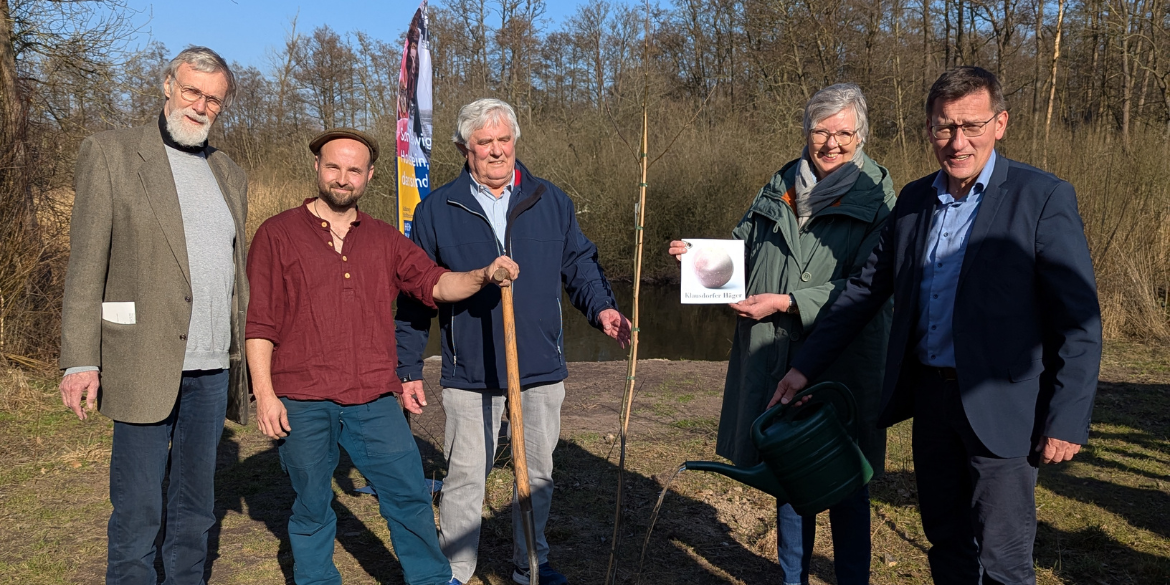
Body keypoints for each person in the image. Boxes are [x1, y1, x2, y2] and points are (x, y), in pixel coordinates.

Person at [773, 67, 1102, 584]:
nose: (958, 141)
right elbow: (862, 293)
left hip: (1003, 409)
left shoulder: (1041, 198)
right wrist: (804, 368)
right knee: (946, 541)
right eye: (944, 127)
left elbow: (1078, 319)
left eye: (972, 125)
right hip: (931, 402)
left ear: (1001, 124)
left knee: (1005, 559)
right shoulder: (913, 201)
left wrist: (1066, 417)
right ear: (929, 129)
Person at [245, 128, 518, 585]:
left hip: (373, 395)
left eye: (354, 170)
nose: (342, 178)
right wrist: (265, 393)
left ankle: (430, 579)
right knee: (312, 504)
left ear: (369, 176)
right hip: (302, 395)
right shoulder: (277, 234)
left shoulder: (384, 238)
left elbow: (435, 284)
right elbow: (260, 323)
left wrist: (484, 273)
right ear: (317, 167)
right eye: (334, 166)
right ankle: (316, 579)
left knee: (408, 493)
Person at [395, 98, 631, 585]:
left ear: (515, 141)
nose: (497, 151)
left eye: (504, 140)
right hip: (470, 372)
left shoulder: (550, 200)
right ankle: (455, 572)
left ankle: (531, 564)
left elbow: (580, 265)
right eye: (485, 143)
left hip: (540, 368)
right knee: (464, 477)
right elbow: (418, 294)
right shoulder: (437, 210)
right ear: (465, 149)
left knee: (537, 476)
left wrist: (602, 307)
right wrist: (408, 366)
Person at [670, 83, 895, 585]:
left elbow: (873, 286)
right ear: (806, 132)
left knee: (844, 480)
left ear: (861, 136)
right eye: (821, 130)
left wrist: (790, 301)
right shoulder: (781, 183)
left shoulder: (880, 196)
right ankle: (792, 579)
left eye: (843, 132)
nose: (831, 142)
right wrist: (700, 257)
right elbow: (742, 243)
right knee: (791, 474)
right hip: (777, 352)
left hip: (843, 360)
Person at [57, 46, 246, 583]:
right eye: (191, 91)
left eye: (213, 99)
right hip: (139, 358)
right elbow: (86, 266)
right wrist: (79, 360)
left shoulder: (230, 173)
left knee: (196, 510)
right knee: (138, 511)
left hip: (211, 367)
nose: (200, 105)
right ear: (167, 86)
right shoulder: (111, 153)